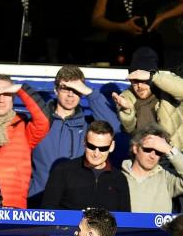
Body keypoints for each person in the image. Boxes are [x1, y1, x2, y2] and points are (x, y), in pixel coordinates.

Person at [29, 65, 119, 206]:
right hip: (38, 201)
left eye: (76, 90)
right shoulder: (38, 123)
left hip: (76, 205)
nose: (71, 95)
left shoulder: (88, 127)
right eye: (65, 89)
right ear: (56, 90)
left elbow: (115, 128)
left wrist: (90, 93)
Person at [0, 74, 50, 208]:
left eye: (7, 93)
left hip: (13, 206)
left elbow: (44, 120)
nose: (1, 99)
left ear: (13, 97)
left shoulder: (23, 129)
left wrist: (21, 89)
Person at [112, 47, 183, 152]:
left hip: (180, 152)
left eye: (144, 80)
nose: (139, 86)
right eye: (135, 81)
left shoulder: (167, 88)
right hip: (148, 155)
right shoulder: (127, 97)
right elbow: (130, 130)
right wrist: (127, 111)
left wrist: (153, 76)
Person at [41, 120, 129, 211]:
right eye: (91, 146)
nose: (96, 153)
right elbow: (48, 214)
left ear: (112, 146)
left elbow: (125, 220)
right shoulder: (62, 171)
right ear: (84, 143)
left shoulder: (119, 179)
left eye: (103, 148)